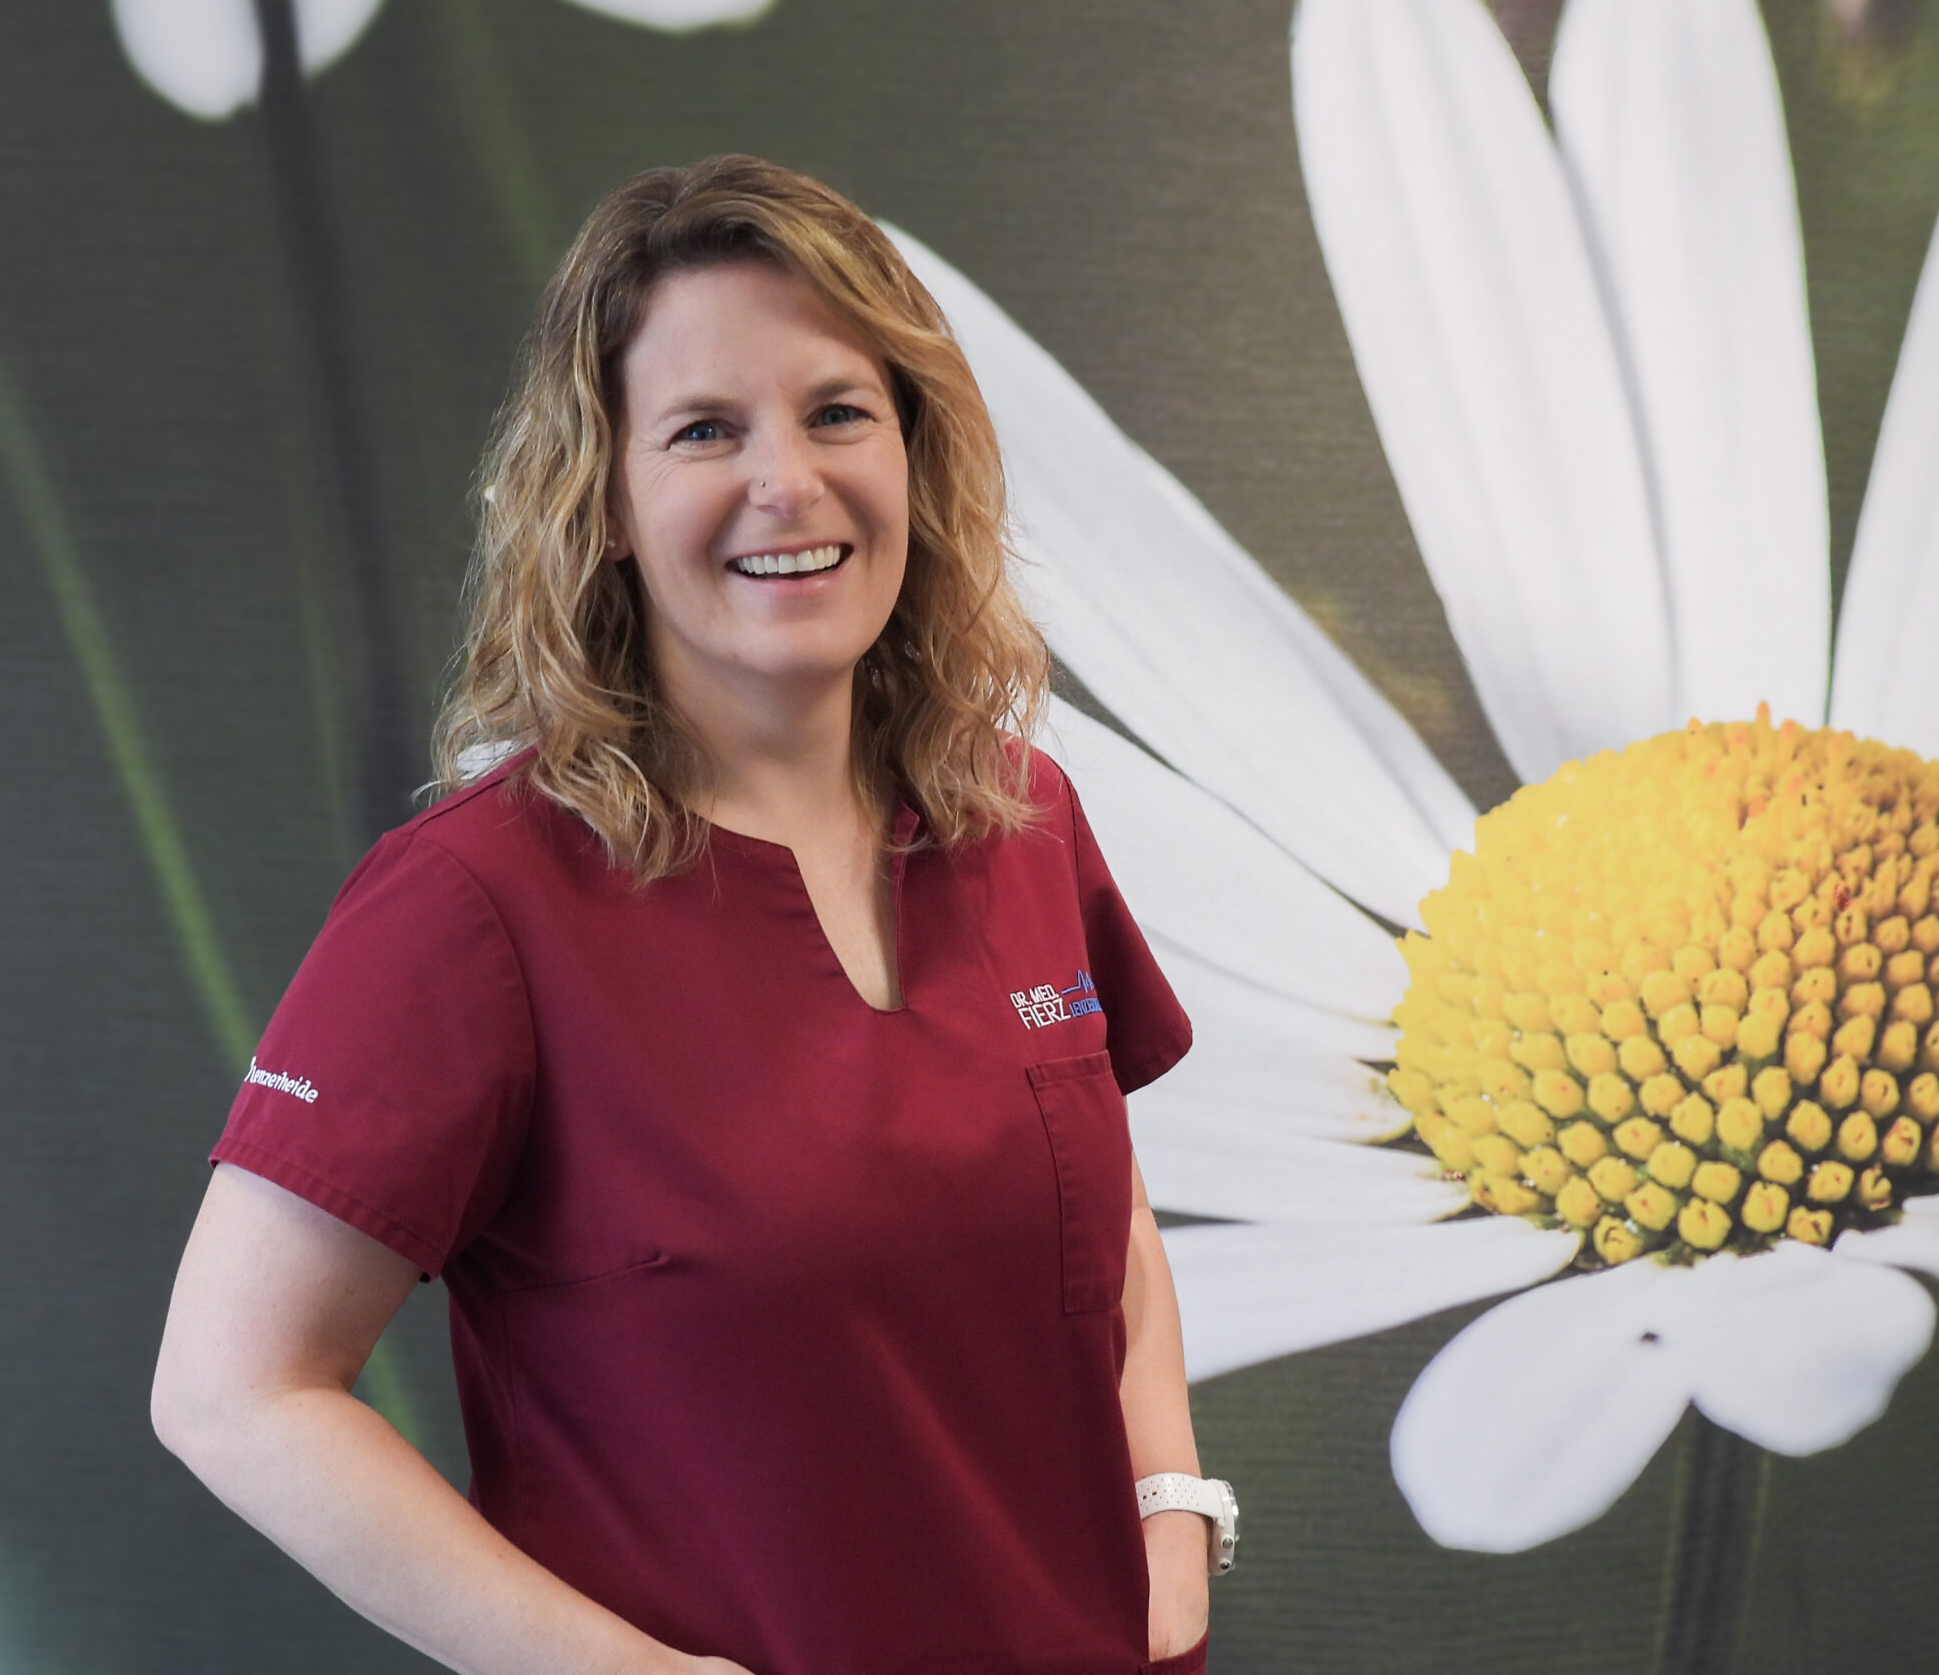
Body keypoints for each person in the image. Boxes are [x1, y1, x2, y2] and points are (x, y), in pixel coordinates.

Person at [150, 155, 1224, 1675]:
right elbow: (232, 1388)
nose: (787, 482)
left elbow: (1102, 1212)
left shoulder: (1021, 816)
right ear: (600, 500)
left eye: (838, 412)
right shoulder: (476, 901)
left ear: (915, 455)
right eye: (705, 430)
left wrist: (1170, 1508)